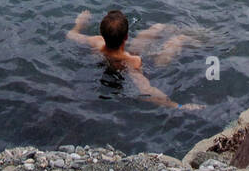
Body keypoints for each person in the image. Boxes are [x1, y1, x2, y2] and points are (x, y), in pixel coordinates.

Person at [66, 9, 198, 109]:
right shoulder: (134, 62)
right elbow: (146, 90)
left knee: (156, 28)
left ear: (102, 34)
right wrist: (178, 106)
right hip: (151, 65)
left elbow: (71, 35)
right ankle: (199, 37)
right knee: (177, 40)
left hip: (116, 54)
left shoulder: (97, 42)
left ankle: (176, 31)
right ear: (126, 37)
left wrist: (79, 23)